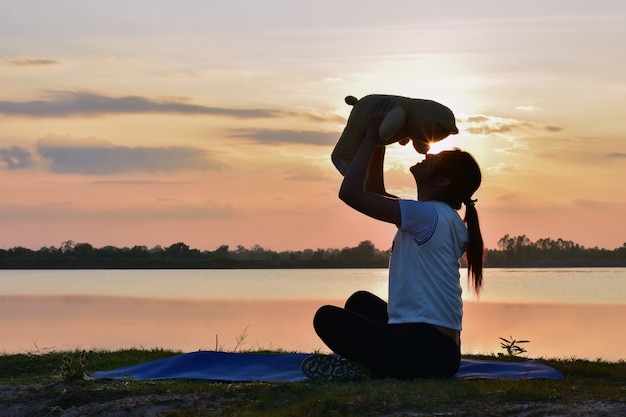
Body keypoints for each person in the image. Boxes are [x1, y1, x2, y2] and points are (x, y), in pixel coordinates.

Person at [302, 99, 484, 381]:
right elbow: (374, 190)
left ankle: (370, 368)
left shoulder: (428, 216)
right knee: (359, 302)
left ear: (442, 181)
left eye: (438, 158)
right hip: (437, 350)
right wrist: (382, 140)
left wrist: (371, 135)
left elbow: (351, 192)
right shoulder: (439, 215)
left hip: (426, 351)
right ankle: (375, 364)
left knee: (326, 317)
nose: (429, 155)